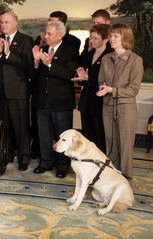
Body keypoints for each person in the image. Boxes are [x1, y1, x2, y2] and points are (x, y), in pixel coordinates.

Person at [31, 20, 79, 178]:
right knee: (44, 133)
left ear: (60, 35)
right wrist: (36, 63)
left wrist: (50, 65)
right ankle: (45, 162)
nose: (45, 36)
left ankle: (62, 165)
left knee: (63, 135)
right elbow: (33, 76)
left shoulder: (70, 51)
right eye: (45, 33)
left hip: (61, 101)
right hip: (41, 100)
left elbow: (70, 74)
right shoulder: (42, 49)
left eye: (49, 33)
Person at [0, 11, 34, 171]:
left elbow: (28, 65)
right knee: (3, 126)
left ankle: (23, 158)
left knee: (21, 127)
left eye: (6, 22)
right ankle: (6, 155)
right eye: (1, 22)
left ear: (15, 23)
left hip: (18, 91)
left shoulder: (25, 40)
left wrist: (8, 54)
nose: (2, 25)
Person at [97, 24, 143, 182]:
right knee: (110, 146)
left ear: (125, 38)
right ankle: (111, 182)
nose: (112, 39)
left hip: (126, 109)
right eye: (111, 36)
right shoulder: (106, 58)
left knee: (125, 149)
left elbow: (133, 90)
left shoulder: (135, 60)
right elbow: (101, 80)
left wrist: (111, 90)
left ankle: (126, 184)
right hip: (108, 107)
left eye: (116, 36)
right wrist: (104, 89)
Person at [72, 24, 112, 152]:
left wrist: (88, 80)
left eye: (95, 38)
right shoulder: (88, 55)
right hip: (86, 102)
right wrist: (82, 78)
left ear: (105, 40)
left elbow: (109, 81)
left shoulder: (110, 57)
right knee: (87, 139)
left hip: (100, 103)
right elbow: (83, 78)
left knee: (100, 139)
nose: (91, 41)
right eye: (91, 38)